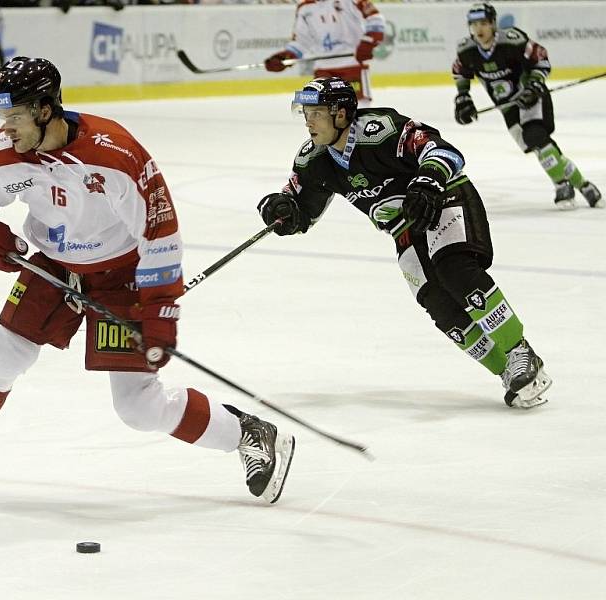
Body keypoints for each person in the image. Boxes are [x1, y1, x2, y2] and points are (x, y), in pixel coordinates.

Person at [0, 57, 294, 505]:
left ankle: (248, 432)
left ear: (45, 110)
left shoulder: (116, 156)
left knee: (137, 406)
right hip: (53, 267)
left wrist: (159, 311)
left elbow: (159, 233)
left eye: (12, 116)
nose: (3, 128)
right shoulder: (7, 154)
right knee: (2, 355)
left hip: (121, 276)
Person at [257, 76, 552, 409]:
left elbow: (443, 150)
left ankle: (519, 351)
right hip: (404, 228)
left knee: (454, 269)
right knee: (439, 305)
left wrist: (427, 182)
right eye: (306, 112)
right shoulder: (315, 160)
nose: (309, 121)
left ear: (341, 114)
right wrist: (279, 209)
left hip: (443, 197)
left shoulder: (380, 131)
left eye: (317, 112)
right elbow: (298, 208)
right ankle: (508, 373)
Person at [452, 2, 601, 210]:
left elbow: (540, 58)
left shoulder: (513, 41)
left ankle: (561, 185)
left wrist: (534, 85)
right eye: (474, 24)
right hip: (507, 107)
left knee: (535, 136)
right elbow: (460, 72)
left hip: (532, 98)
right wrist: (463, 98)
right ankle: (584, 185)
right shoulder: (466, 50)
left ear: (493, 23)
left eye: (484, 23)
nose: (479, 29)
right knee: (538, 147)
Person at [264, 0, 385, 105]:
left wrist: (368, 42)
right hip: (323, 69)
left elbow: (375, 19)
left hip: (352, 66)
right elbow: (301, 41)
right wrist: (286, 56)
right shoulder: (304, 7)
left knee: (358, 112)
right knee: (320, 113)